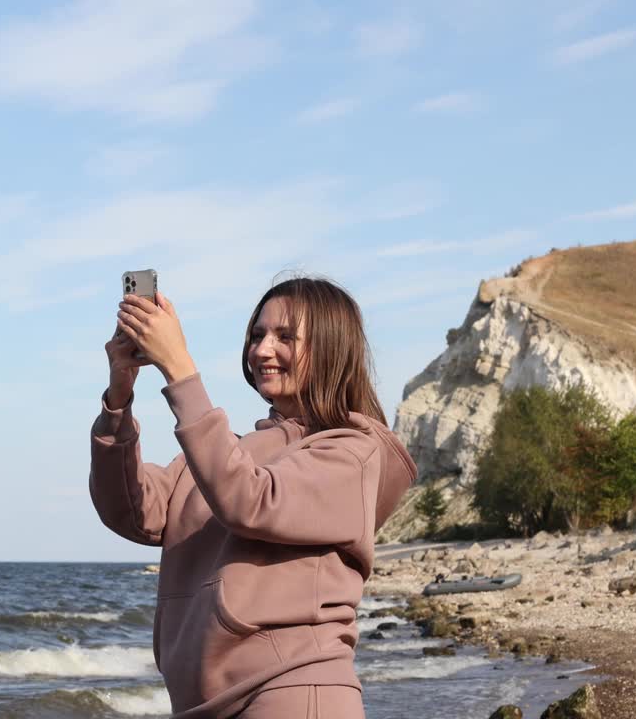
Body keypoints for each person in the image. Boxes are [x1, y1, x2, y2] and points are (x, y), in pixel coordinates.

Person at [90, 276, 415, 719]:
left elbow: (250, 501)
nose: (262, 350)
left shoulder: (350, 452)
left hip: (294, 691)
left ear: (331, 348)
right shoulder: (230, 453)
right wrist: (119, 396)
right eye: (258, 335)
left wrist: (180, 370)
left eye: (285, 337)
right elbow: (131, 511)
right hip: (205, 703)